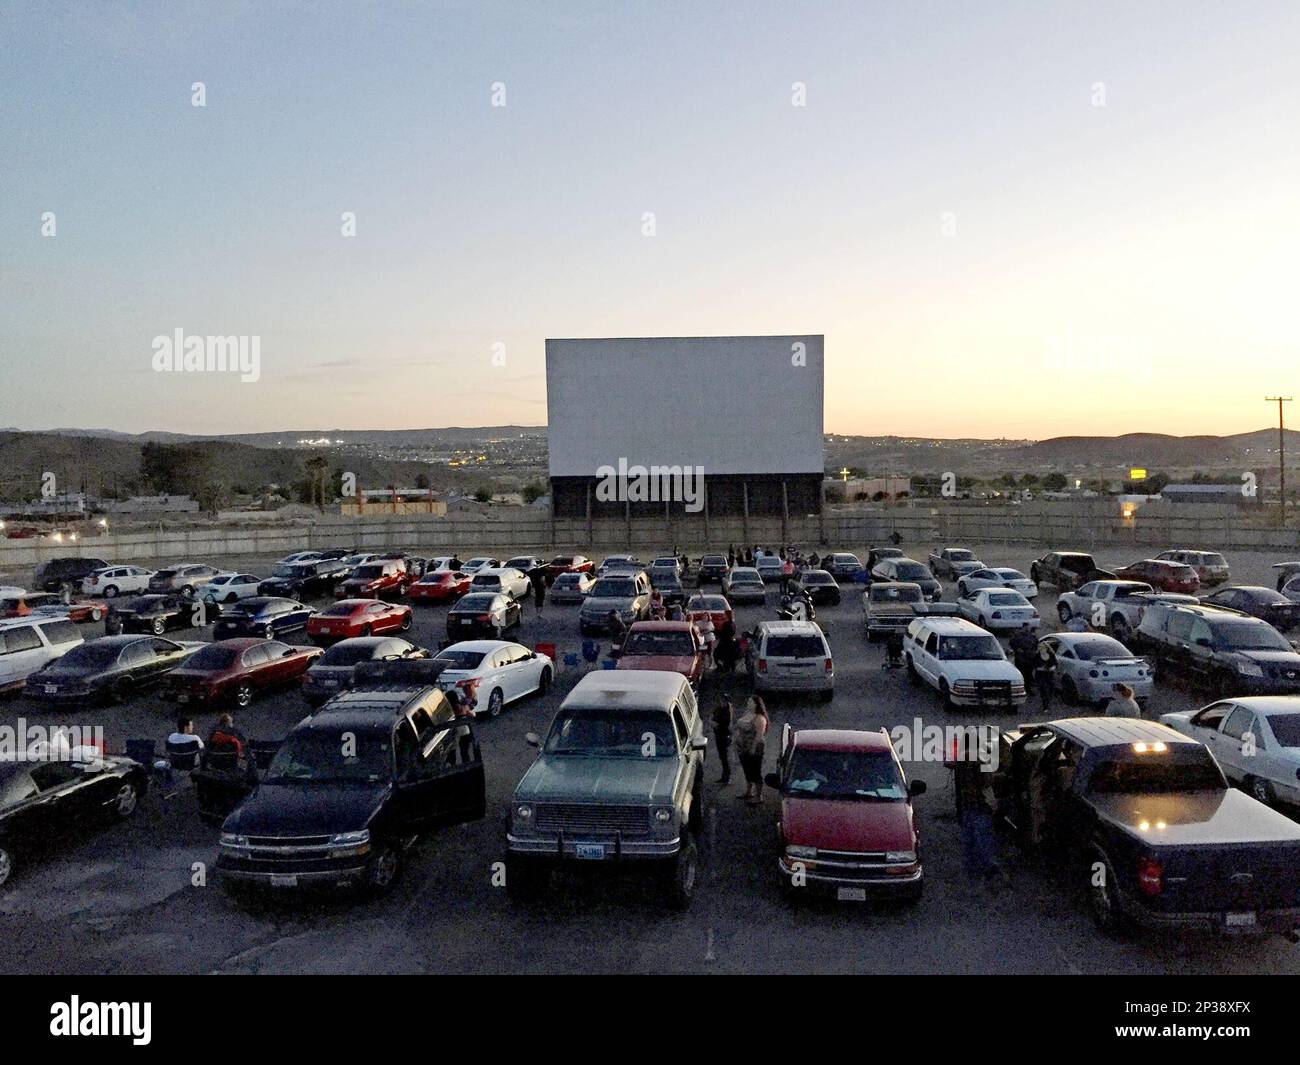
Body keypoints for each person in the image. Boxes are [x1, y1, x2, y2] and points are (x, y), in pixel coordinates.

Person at [733, 696, 769, 806]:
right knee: (747, 770)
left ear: (756, 704)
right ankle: (748, 791)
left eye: (750, 702)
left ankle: (759, 796)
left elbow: (759, 735)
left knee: (755, 771)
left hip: (754, 748)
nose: (748, 703)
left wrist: (752, 749)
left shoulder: (759, 718)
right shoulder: (747, 714)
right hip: (743, 747)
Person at [712, 695, 733, 785]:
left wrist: (716, 724)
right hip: (719, 734)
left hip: (723, 735)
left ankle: (727, 777)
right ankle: (724, 776)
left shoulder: (727, 711)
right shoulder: (719, 709)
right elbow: (713, 717)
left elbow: (725, 723)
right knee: (722, 757)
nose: (721, 703)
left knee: (725, 757)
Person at [1033, 645, 1057, 712]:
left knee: (1050, 689)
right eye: (1039, 647)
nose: (1040, 649)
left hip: (1049, 675)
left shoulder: (1051, 655)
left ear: (1046, 648)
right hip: (1040, 675)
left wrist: (1052, 668)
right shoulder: (1037, 656)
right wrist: (1041, 668)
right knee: (1044, 690)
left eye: (1042, 648)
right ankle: (1045, 707)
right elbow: (1035, 666)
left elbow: (1055, 664)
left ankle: (1049, 702)